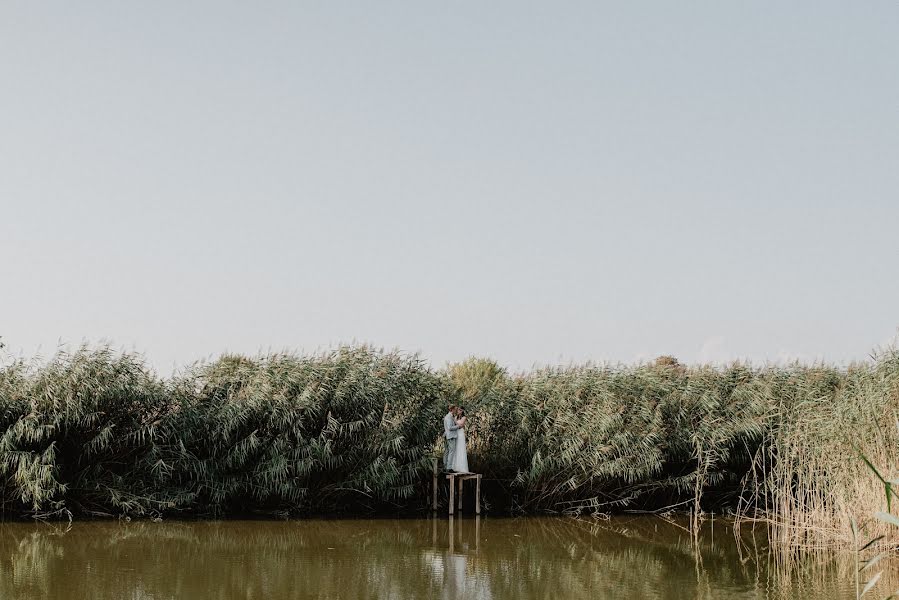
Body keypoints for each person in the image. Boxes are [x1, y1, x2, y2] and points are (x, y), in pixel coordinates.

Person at [443, 404, 460, 471]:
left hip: (447, 435)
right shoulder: (449, 417)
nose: (456, 411)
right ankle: (449, 468)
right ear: (452, 409)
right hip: (451, 436)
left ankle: (445, 466)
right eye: (455, 409)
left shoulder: (448, 416)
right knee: (451, 451)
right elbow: (450, 427)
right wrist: (458, 426)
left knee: (447, 451)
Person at [452, 407, 469, 473]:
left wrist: (454, 421)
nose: (458, 411)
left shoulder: (464, 417)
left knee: (460, 448)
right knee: (456, 448)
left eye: (459, 410)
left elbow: (461, 425)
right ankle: (455, 466)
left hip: (461, 434)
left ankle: (461, 467)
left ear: (462, 411)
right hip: (456, 433)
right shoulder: (456, 417)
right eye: (458, 410)